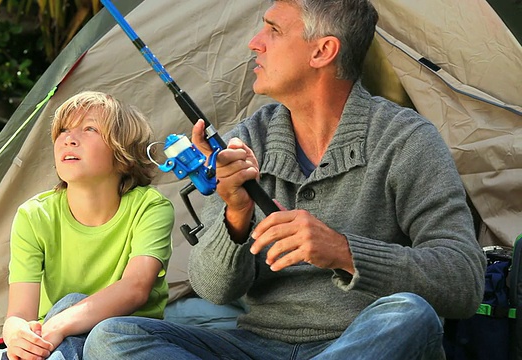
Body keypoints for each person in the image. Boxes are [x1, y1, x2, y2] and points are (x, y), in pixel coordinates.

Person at [84, 0, 486, 359]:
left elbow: (463, 281)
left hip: (362, 341)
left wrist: (343, 251)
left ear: (323, 51)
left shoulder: (405, 139)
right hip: (256, 345)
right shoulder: (247, 140)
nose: (254, 43)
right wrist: (235, 213)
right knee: (114, 336)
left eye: (273, 30)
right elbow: (213, 289)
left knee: (410, 316)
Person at [0, 91, 174, 360]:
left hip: (122, 338)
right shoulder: (34, 215)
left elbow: (135, 288)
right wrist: (19, 336)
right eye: (63, 130)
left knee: (73, 304)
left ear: (123, 153)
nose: (68, 138)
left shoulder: (150, 207)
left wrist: (58, 325)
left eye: (89, 129)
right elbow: (19, 314)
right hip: (53, 340)